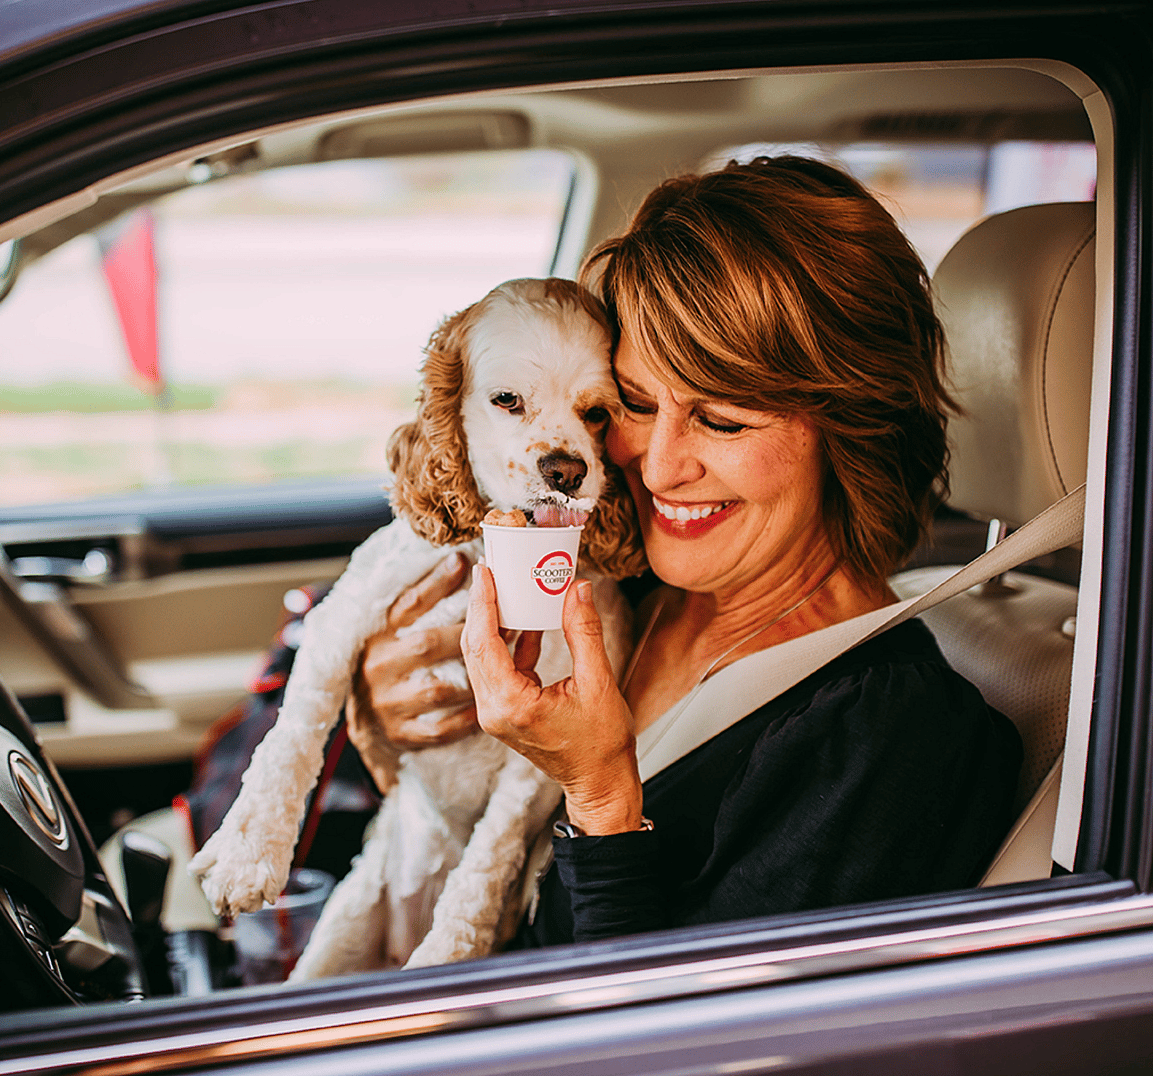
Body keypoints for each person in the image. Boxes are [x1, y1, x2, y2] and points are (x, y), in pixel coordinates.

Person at [349, 156, 1022, 947]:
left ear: (850, 429)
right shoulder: (618, 582)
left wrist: (601, 797)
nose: (657, 465)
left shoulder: (894, 738)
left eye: (723, 420)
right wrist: (387, 716)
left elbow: (688, 1049)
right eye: (635, 401)